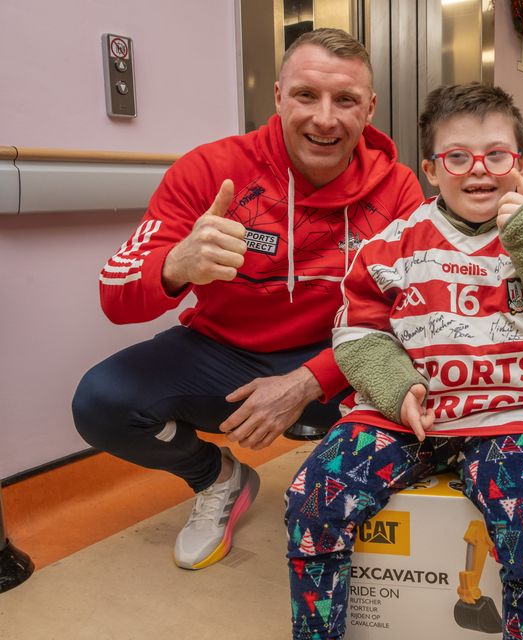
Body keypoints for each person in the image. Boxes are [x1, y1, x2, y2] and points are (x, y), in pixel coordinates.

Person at [71, 28, 424, 571]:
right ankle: (218, 479)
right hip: (225, 355)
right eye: (307, 95)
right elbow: (114, 298)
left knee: (434, 387)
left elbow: (409, 318)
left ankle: (373, 504)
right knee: (103, 401)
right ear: (279, 96)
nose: (325, 119)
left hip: (343, 358)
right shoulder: (211, 171)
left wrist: (307, 381)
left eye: (345, 100)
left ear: (370, 109)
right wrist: (174, 265)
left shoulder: (398, 189)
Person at [284, 82, 523, 639]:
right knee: (313, 501)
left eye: (497, 155)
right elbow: (357, 331)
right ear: (432, 170)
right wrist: (395, 387)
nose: (478, 171)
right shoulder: (393, 244)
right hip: (407, 416)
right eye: (457, 157)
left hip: (514, 416)